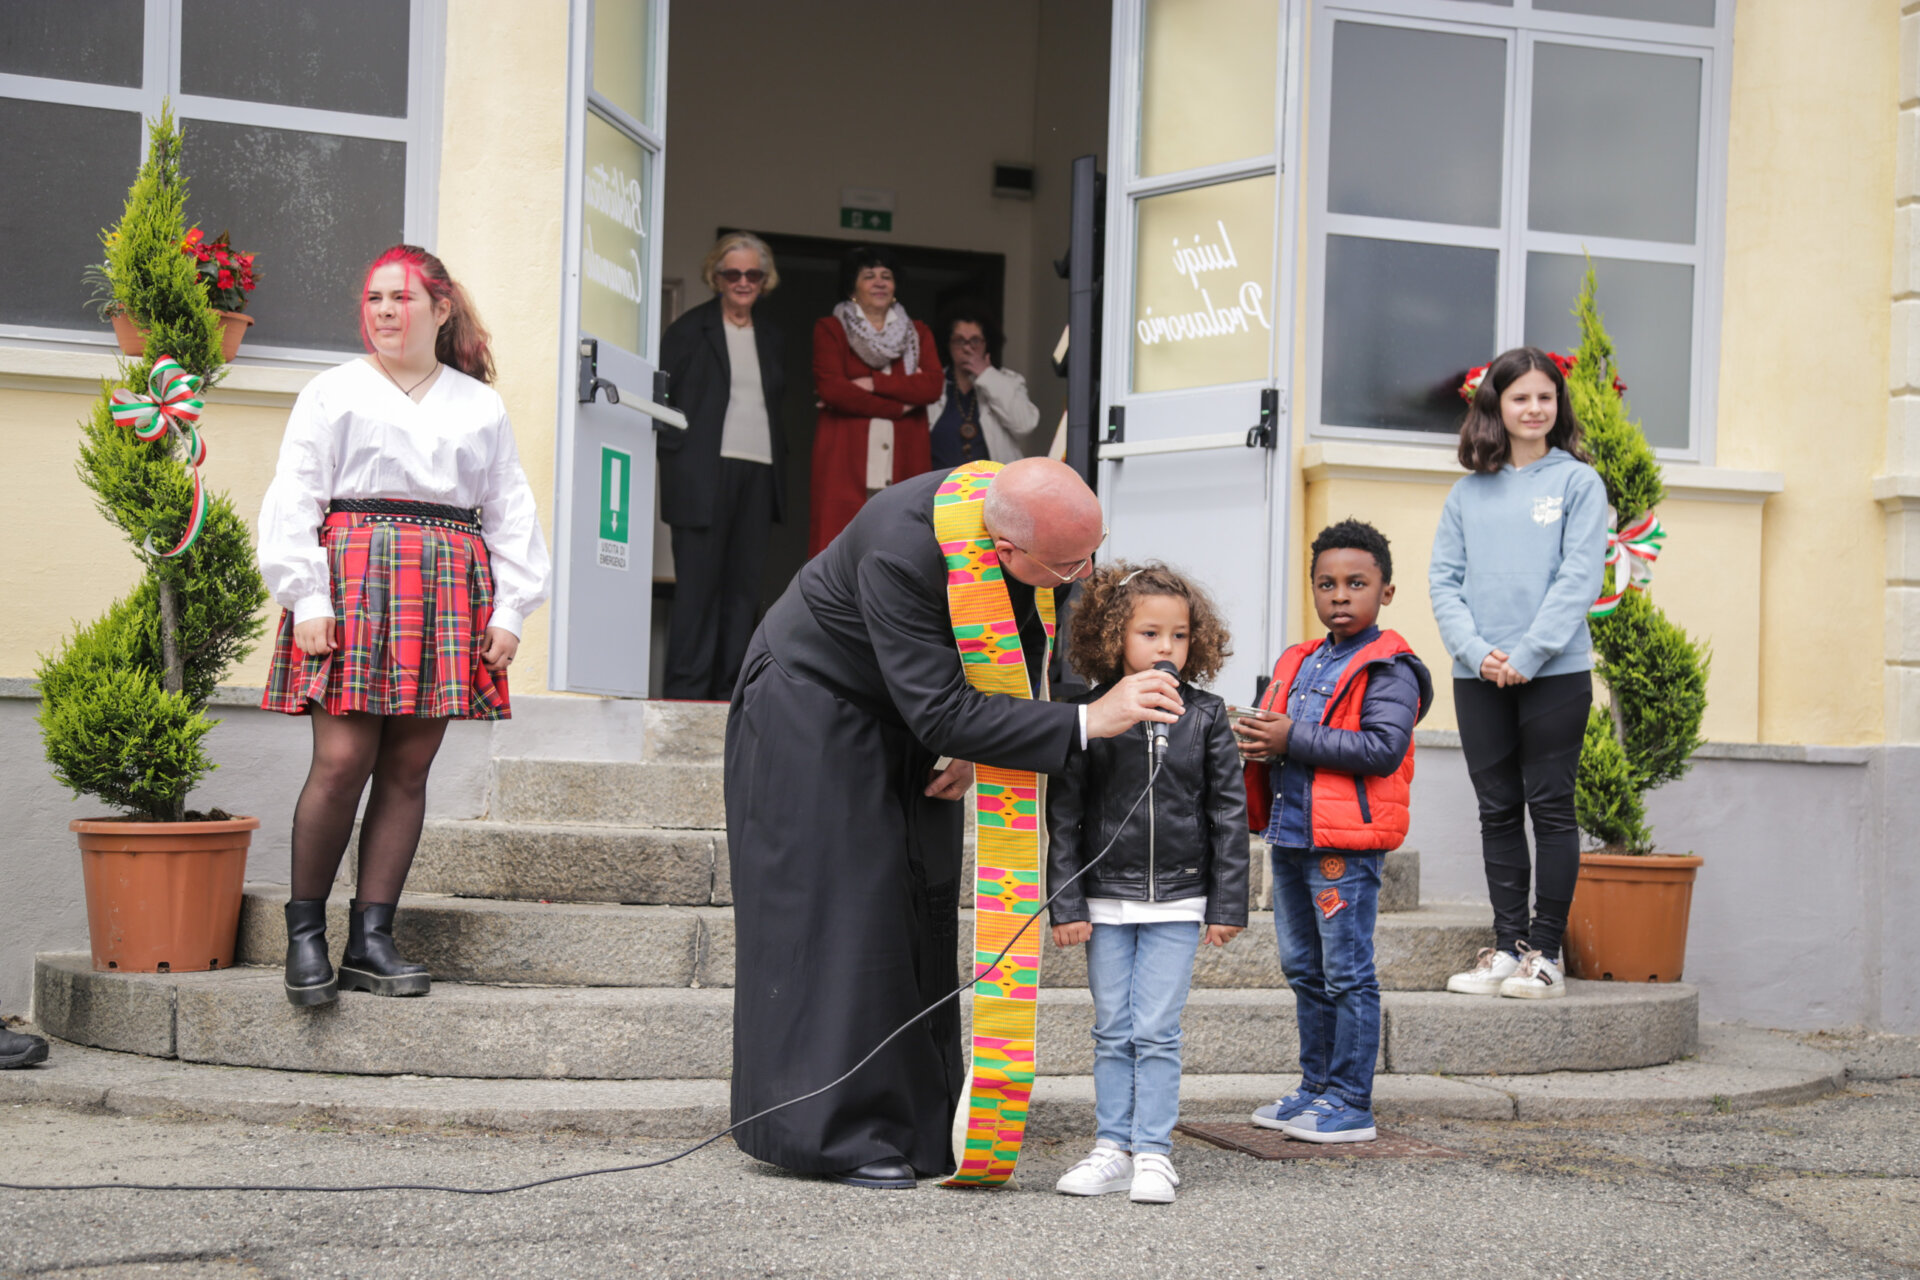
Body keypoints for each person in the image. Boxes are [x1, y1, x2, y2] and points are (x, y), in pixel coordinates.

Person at [726, 457, 1183, 1190]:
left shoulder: (1002, 508)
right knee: (848, 911)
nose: (1084, 574)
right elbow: (939, 707)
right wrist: (1086, 720)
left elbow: (1009, 644)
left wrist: (986, 738)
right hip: (810, 707)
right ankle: (830, 1133)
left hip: (905, 710)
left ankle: (916, 1120)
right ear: (1006, 551)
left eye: (1093, 551)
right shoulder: (901, 552)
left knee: (920, 898)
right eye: (1069, 564)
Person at [257, 245, 551, 1008]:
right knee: (342, 759)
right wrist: (308, 599)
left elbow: (509, 508)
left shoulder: (477, 404)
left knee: (409, 769)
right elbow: (295, 497)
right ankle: (305, 935)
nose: (385, 311)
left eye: (401, 298)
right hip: (352, 584)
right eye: (374, 298)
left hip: (450, 590)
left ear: (440, 308)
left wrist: (511, 609)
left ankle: (372, 937)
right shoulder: (333, 392)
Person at [1046, 562, 1247, 1204]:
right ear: (1114, 638)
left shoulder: (1207, 715)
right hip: (1104, 898)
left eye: (1180, 636)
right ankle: (1111, 1146)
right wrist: (1066, 902)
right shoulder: (1089, 714)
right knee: (1112, 1028)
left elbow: (1227, 813)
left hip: (1181, 900)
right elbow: (1065, 814)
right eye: (1150, 634)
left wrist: (1227, 902)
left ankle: (1153, 1153)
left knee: (1156, 1029)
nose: (1166, 648)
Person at [1235, 520, 1431, 1144]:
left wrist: (1290, 737)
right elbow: (1278, 734)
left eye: (1356, 583)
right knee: (1302, 967)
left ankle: (1351, 1099)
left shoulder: (1391, 667)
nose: (1339, 596)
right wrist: (1257, 741)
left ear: (1386, 592)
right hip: (1291, 837)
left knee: (1346, 970)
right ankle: (1315, 1087)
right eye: (1326, 584)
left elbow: (1381, 747)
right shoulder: (1298, 658)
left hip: (1343, 847)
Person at [1428, 347, 1607, 1001]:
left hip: (1555, 673)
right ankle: (1507, 950)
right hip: (1479, 676)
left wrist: (1528, 655)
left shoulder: (1577, 485)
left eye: (1546, 397)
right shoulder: (1467, 493)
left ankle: (1546, 957)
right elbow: (1444, 580)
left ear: (1558, 407)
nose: (1535, 408)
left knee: (1551, 809)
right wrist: (1480, 654)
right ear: (1495, 407)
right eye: (1520, 397)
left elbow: (1579, 577)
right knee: (1497, 811)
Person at [657, 232, 786, 700]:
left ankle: (733, 692)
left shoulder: (771, 337)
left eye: (753, 274)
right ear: (716, 277)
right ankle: (686, 692)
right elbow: (662, 402)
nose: (743, 282)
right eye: (733, 273)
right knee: (697, 590)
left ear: (765, 280)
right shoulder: (689, 330)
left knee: (743, 590)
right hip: (700, 475)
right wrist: (678, 461)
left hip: (758, 471)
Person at [807, 246, 942, 555]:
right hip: (845, 463)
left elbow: (932, 386)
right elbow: (833, 390)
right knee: (839, 551)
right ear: (853, 286)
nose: (879, 282)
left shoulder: (918, 333)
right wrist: (900, 404)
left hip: (905, 461)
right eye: (869, 276)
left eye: (886, 276)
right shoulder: (831, 329)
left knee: (900, 548)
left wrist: (874, 383)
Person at [926, 300, 1047, 468]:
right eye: (960, 340)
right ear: (948, 344)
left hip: (991, 489)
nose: (967, 348)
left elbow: (1025, 424)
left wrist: (986, 374)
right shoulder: (932, 384)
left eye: (975, 340)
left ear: (987, 344)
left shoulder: (1009, 381)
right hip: (937, 488)